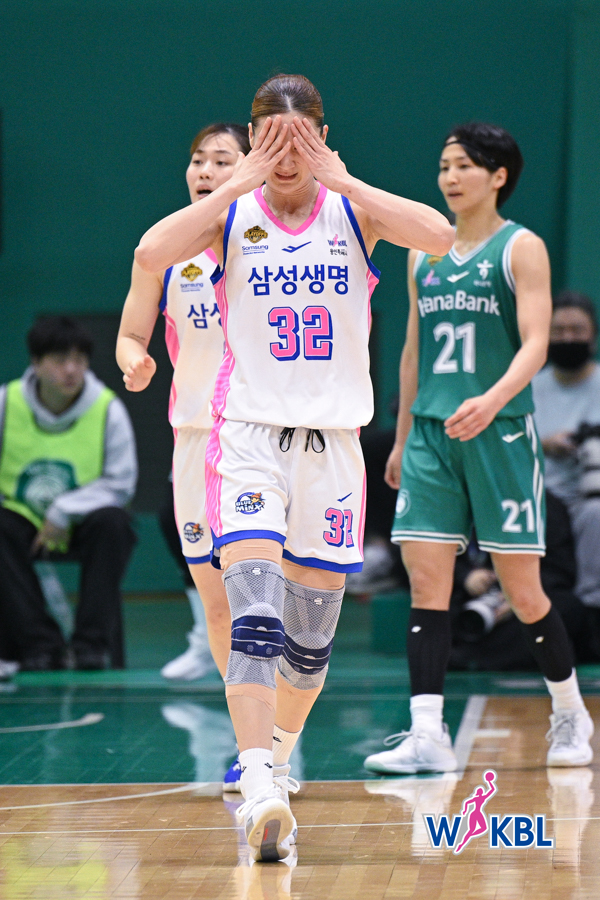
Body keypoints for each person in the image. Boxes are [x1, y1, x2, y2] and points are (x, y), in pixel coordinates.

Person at [135, 73, 454, 861]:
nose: (283, 156)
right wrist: (230, 184)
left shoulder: (351, 210)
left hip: (333, 448)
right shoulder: (230, 214)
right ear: (252, 140)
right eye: (269, 140)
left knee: (308, 645)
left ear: (321, 136)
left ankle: (277, 759)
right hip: (248, 436)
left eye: (298, 139)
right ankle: (256, 781)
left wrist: (345, 178)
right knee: (253, 615)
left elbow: (440, 235)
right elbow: (150, 252)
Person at [364, 122, 594, 777]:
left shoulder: (521, 247)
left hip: (501, 433)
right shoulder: (423, 254)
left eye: (464, 165)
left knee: (523, 591)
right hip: (433, 435)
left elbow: (536, 343)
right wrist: (403, 437)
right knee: (427, 582)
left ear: (498, 175)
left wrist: (492, 400)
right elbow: (413, 351)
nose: (450, 177)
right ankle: (426, 733)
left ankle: (570, 712)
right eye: (444, 165)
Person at [117, 123, 251, 689]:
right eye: (198, 160)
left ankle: (282, 725)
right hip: (194, 438)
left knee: (265, 601)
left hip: (261, 434)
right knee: (217, 608)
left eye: (222, 160)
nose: (205, 171)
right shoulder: (164, 249)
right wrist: (134, 360)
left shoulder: (276, 244)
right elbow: (130, 334)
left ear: (251, 168)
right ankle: (247, 727)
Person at [0, 316, 137, 670]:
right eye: (60, 360)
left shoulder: (107, 408)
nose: (72, 370)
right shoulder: (6, 403)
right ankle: (39, 645)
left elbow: (121, 483)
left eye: (79, 360)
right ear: (36, 363)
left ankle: (91, 645)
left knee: (115, 524)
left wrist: (64, 510)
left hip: (83, 521)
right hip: (21, 519)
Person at [533, 291, 600, 611]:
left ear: (593, 336)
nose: (568, 338)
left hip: (590, 499)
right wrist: (545, 445)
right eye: (558, 331)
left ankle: (590, 609)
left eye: (577, 330)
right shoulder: (529, 387)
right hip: (542, 501)